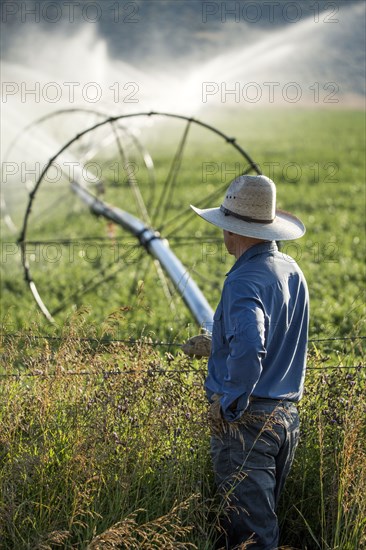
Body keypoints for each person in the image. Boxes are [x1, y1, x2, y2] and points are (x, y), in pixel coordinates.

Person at [189, 174, 309, 550]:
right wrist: (219, 342)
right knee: (260, 522)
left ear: (232, 231)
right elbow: (273, 336)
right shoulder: (290, 269)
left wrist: (229, 404)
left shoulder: (243, 280)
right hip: (285, 418)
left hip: (249, 423)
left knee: (251, 537)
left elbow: (253, 345)